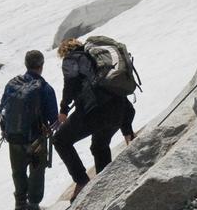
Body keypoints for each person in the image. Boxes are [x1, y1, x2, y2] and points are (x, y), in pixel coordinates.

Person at [52, 38, 136, 199]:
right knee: (99, 146)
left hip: (95, 111)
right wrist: (127, 130)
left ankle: (82, 181)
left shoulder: (72, 59)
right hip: (117, 111)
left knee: (60, 140)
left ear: (65, 52)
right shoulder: (102, 63)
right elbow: (121, 97)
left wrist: (63, 110)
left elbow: (69, 86)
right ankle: (105, 187)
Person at [0, 49, 59, 210]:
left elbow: (2, 108)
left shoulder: (12, 84)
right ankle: (32, 205)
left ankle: (20, 202)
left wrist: (5, 128)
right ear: (41, 66)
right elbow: (53, 118)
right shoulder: (45, 88)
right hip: (35, 139)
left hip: (13, 137)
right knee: (37, 171)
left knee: (18, 170)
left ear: (26, 64)